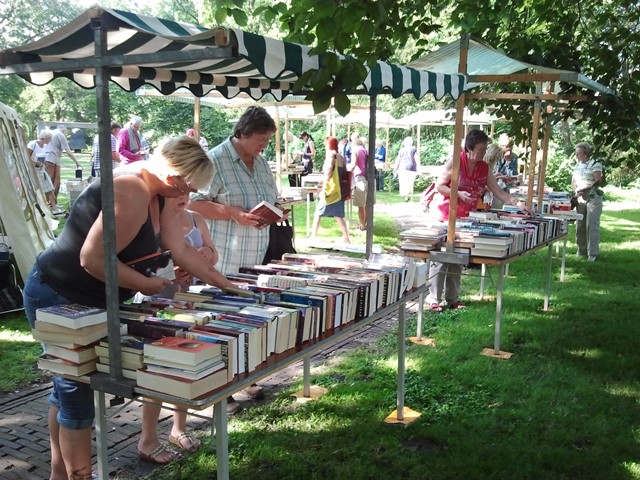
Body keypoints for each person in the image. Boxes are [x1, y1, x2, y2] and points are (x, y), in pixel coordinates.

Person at [22, 136, 232, 478]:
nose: (188, 197)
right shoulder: (131, 189)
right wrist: (147, 284)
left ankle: (60, 475)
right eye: (187, 187)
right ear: (171, 175)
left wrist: (225, 284)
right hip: (59, 294)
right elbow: (92, 260)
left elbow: (179, 249)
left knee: (68, 387)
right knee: (75, 388)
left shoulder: (156, 193)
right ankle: (78, 475)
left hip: (91, 298)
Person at [189, 105, 282, 413]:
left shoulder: (263, 163)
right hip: (224, 258)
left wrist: (277, 210)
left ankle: (246, 377)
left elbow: (272, 196)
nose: (263, 146)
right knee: (220, 323)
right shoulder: (214, 160)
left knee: (248, 318)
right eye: (260, 139)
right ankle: (221, 390)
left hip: (255, 257)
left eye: (267, 141)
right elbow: (193, 203)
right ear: (242, 133)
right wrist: (233, 214)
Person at [426, 129, 534, 312]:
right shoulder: (456, 161)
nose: (483, 153)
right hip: (445, 216)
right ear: (469, 148)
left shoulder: (484, 167)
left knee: (459, 257)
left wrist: (517, 203)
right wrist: (459, 193)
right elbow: (439, 186)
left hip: (467, 218)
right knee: (442, 257)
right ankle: (433, 299)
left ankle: (453, 298)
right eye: (481, 149)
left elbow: (498, 192)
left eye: (485, 149)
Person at [311, 136, 351, 244]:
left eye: (325, 144)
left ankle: (313, 236)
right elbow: (345, 173)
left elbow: (328, 171)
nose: (324, 147)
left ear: (329, 145)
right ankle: (346, 238)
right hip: (339, 190)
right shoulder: (341, 157)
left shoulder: (331, 155)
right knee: (338, 215)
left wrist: (324, 184)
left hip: (330, 189)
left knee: (318, 213)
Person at [571, 141, 603, 262]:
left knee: (591, 224)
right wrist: (576, 191)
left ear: (585, 154)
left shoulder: (595, 164)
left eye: (578, 154)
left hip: (593, 197)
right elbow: (573, 180)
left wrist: (584, 188)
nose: (576, 156)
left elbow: (598, 181)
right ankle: (581, 250)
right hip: (580, 197)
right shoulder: (577, 165)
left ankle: (593, 253)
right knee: (580, 224)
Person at [27, 129, 64, 215]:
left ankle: (54, 208)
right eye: (49, 138)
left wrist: (42, 163)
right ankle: (44, 208)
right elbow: (26, 156)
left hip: (41, 169)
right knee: (38, 190)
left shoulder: (45, 146)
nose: (50, 140)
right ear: (44, 138)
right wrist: (35, 163)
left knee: (50, 188)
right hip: (33, 170)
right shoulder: (33, 144)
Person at [44, 125, 81, 201]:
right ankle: (51, 203)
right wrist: (77, 163)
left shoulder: (50, 132)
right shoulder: (60, 135)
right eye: (66, 133)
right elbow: (68, 152)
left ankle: (50, 202)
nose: (66, 135)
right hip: (52, 158)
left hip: (46, 158)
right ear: (64, 131)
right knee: (54, 182)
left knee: (48, 181)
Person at [350, 133, 368, 230]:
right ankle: (365, 223)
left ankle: (362, 225)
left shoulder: (355, 150)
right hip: (368, 178)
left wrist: (347, 173)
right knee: (367, 203)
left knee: (361, 204)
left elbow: (353, 165)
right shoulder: (366, 150)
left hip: (360, 178)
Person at [394, 136, 418, 202]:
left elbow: (398, 160)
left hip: (402, 168)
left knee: (403, 183)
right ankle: (408, 195)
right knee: (410, 183)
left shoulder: (402, 150)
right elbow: (417, 159)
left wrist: (395, 168)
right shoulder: (414, 149)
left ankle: (406, 196)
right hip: (412, 168)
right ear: (411, 143)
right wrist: (419, 167)